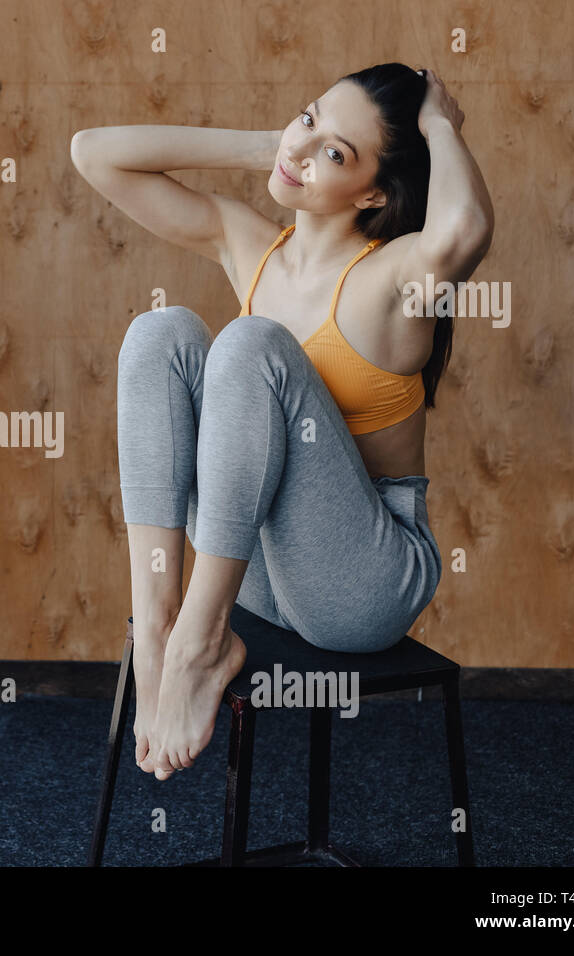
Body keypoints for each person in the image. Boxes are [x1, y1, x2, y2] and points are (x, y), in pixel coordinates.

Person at [70, 64, 493, 780]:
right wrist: (281, 144)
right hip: (257, 568)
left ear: (374, 193)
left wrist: (439, 122)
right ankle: (160, 632)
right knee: (160, 333)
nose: (305, 150)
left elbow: (465, 228)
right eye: (309, 118)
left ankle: (201, 645)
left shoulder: (393, 283)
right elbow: (93, 153)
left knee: (250, 343)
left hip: (363, 584)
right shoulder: (250, 246)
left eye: (337, 154)